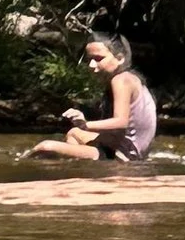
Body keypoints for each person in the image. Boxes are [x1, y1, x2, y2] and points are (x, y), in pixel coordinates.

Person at [30, 32, 158, 165]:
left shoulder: (121, 80)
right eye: (89, 59)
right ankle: (81, 170)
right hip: (116, 147)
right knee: (74, 133)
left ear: (120, 58)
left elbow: (121, 122)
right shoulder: (129, 78)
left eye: (98, 58)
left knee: (45, 147)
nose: (91, 65)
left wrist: (86, 125)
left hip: (122, 155)